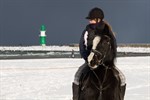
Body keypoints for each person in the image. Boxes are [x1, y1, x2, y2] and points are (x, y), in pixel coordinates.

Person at [72, 7, 126, 100]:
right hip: (90, 60)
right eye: (90, 19)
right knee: (77, 77)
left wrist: (106, 59)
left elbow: (113, 47)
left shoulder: (108, 31)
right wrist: (88, 58)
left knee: (122, 78)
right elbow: (82, 46)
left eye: (91, 19)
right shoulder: (86, 31)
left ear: (98, 19)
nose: (90, 21)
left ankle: (120, 97)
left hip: (105, 63)